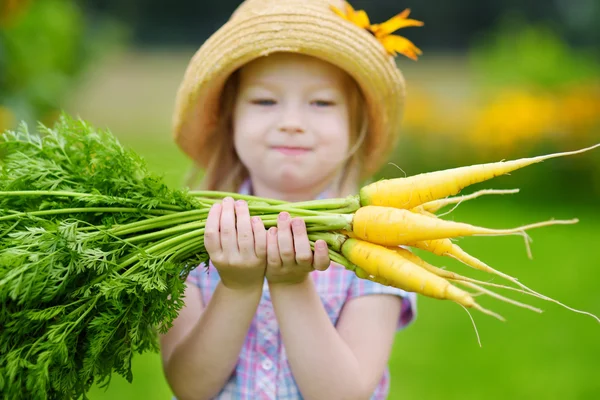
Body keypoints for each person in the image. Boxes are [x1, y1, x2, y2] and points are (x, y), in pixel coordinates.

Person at [160, 0, 423, 398]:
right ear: (230, 118)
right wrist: (237, 287)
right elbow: (189, 387)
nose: (291, 123)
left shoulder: (378, 243)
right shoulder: (189, 234)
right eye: (265, 101)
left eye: (321, 103)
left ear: (356, 125)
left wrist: (292, 283)